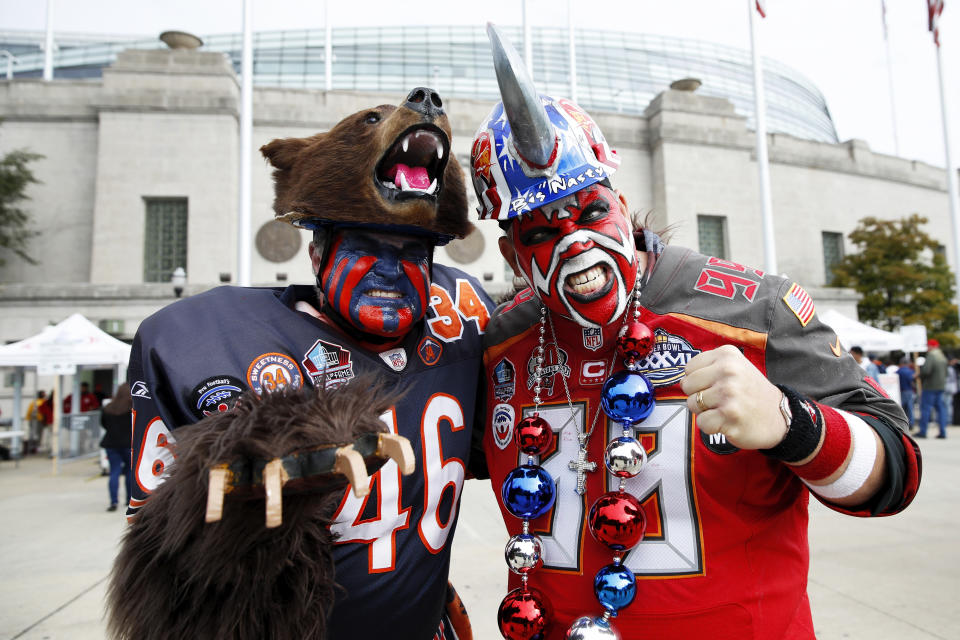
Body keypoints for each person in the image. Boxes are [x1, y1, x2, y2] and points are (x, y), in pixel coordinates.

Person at [471, 25, 920, 640]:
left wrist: (793, 424)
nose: (576, 244)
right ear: (513, 253)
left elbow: (896, 475)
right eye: (541, 232)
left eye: (591, 211)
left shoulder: (753, 310)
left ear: (621, 205)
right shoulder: (499, 345)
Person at [124, 88, 492, 639]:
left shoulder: (459, 315)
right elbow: (160, 563)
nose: (392, 271)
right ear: (316, 252)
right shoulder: (211, 342)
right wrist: (250, 478)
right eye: (368, 246)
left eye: (413, 253)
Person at [100, 383, 132, 512]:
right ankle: (129, 499)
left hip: (111, 443)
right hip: (128, 443)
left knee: (114, 471)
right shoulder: (132, 407)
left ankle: (113, 501)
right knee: (130, 471)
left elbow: (103, 424)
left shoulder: (108, 407)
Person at [918, 339, 949, 438]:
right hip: (941, 386)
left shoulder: (931, 355)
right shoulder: (942, 356)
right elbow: (946, 373)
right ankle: (943, 432)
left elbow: (926, 371)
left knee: (926, 409)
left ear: (931, 346)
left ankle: (923, 431)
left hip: (930, 386)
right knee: (941, 410)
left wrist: (918, 375)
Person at [896, 357, 916, 430]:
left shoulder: (898, 371)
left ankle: (902, 423)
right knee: (910, 408)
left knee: (902, 409)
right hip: (909, 391)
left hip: (901, 391)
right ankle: (911, 424)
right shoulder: (911, 371)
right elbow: (912, 381)